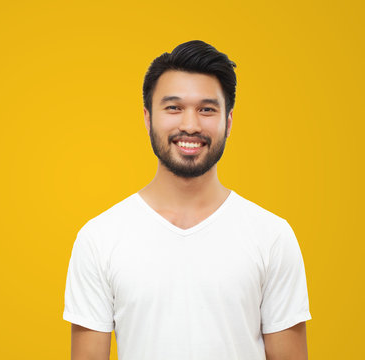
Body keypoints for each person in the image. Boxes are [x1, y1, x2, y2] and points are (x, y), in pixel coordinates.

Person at [62, 40, 312, 360]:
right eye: (174, 107)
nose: (190, 125)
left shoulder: (272, 236)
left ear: (229, 121)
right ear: (148, 118)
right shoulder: (99, 238)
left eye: (207, 109)